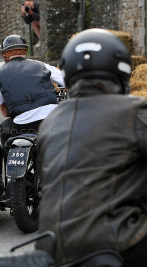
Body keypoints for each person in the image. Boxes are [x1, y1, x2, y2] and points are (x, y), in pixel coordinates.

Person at [35, 28, 147, 266]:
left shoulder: (50, 122)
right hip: (116, 244)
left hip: (50, 249)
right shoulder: (134, 111)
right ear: (123, 69)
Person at [0, 34, 64, 147]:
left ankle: (9, 160)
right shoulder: (42, 65)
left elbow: (4, 112)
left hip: (23, 125)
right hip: (50, 120)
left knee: (5, 128)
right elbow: (68, 80)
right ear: (25, 51)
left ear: (5, 55)